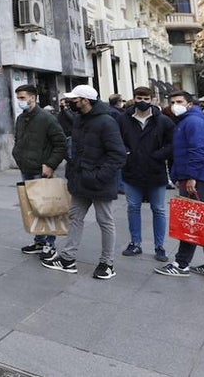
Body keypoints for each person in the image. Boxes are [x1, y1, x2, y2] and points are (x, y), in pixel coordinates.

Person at [42, 85, 126, 280]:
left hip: (99, 181)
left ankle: (107, 263)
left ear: (85, 101)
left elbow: (118, 154)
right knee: (74, 217)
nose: (71, 103)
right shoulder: (80, 119)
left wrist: (99, 176)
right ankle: (67, 259)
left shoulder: (107, 122)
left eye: (74, 100)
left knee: (105, 221)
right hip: (81, 178)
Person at [155, 90, 204, 278]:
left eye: (179, 101)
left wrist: (191, 176)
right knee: (202, 221)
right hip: (196, 177)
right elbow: (182, 152)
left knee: (190, 221)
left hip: (198, 179)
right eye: (172, 102)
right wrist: (179, 176)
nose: (175, 105)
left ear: (189, 103)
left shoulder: (193, 122)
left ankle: (181, 264)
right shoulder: (188, 121)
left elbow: (197, 150)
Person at [119, 86, 175, 263]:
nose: (142, 101)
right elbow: (116, 140)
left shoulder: (163, 121)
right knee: (133, 207)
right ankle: (135, 242)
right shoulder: (123, 119)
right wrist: (126, 153)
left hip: (155, 171)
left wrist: (157, 156)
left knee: (158, 209)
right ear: (133, 98)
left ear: (152, 99)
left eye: (146, 98)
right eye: (138, 97)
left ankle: (160, 246)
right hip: (131, 170)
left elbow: (172, 144)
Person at [11, 84, 67, 259]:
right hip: (26, 168)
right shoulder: (21, 119)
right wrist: (17, 154)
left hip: (41, 170)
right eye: (18, 98)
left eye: (22, 98)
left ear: (32, 98)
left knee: (47, 208)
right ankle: (39, 240)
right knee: (33, 208)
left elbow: (61, 143)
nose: (20, 101)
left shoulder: (46, 118)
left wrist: (50, 164)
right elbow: (18, 139)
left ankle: (50, 244)